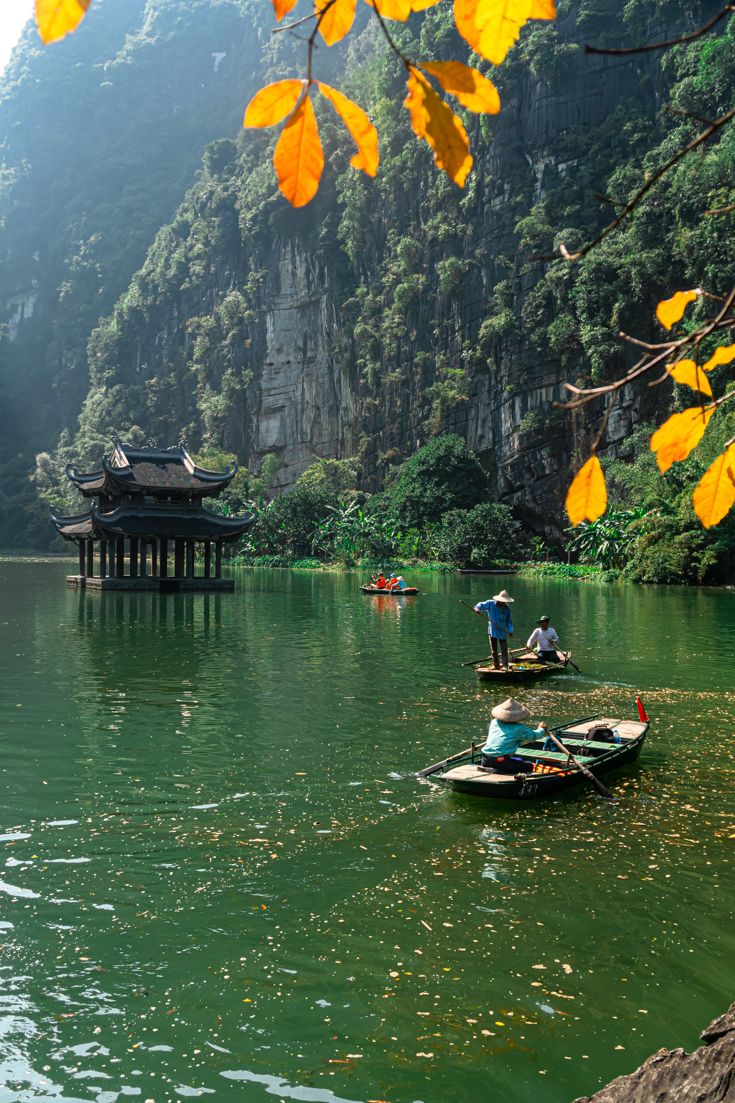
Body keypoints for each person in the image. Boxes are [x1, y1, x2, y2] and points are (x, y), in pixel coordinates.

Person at [480, 698, 548, 772]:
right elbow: (533, 736)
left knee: (516, 760)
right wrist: (541, 729)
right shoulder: (519, 728)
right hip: (502, 762)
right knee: (529, 765)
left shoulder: (494, 722)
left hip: (485, 759)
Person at [473, 589, 515, 670]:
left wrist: (510, 631)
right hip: (492, 631)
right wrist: (477, 609)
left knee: (504, 649)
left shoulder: (507, 609)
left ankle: (505, 666)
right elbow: (479, 605)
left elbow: (509, 622)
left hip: (502, 631)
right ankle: (496, 665)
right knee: (494, 650)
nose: (503, 603)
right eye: (502, 601)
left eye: (505, 601)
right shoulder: (490, 604)